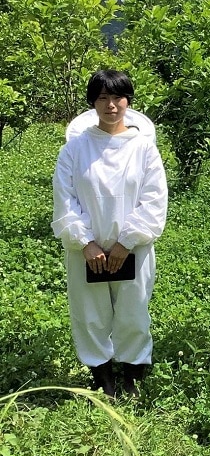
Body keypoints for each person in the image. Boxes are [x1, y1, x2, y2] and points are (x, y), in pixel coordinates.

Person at [52, 70, 168, 397]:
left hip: (134, 248)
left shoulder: (144, 149)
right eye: (102, 98)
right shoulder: (74, 150)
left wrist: (126, 242)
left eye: (117, 97)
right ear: (92, 103)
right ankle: (102, 376)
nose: (111, 105)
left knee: (133, 309)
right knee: (89, 313)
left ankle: (131, 373)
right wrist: (85, 243)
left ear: (128, 101)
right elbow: (65, 199)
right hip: (86, 251)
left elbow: (154, 200)